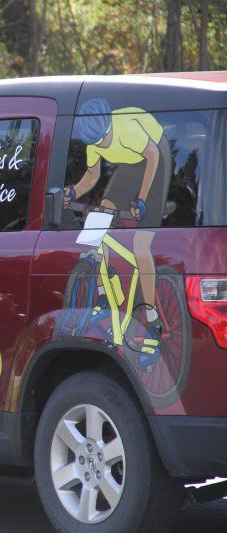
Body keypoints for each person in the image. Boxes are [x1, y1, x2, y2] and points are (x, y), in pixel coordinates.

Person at [64, 98, 172, 370]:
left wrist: (142, 201)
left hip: (154, 157)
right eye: (96, 143)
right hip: (131, 163)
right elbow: (91, 176)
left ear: (109, 126)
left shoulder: (125, 128)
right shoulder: (93, 139)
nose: (101, 146)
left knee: (140, 244)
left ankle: (151, 319)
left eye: (103, 140)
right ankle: (101, 293)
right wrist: (74, 192)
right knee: (102, 214)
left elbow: (152, 157)